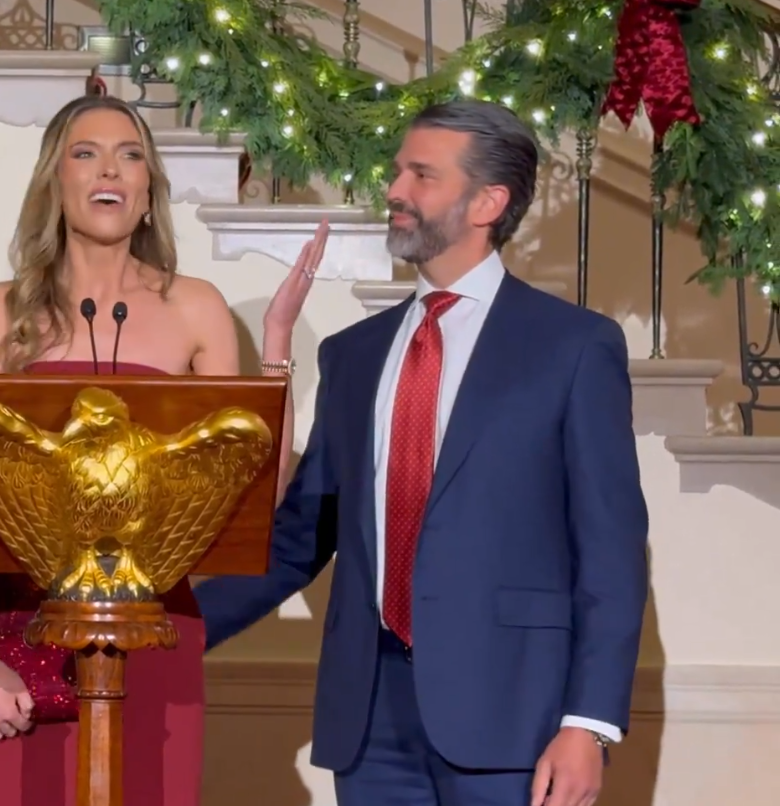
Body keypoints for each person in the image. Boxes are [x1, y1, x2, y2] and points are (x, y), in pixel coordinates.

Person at [195, 99, 650, 806]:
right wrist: (166, 629)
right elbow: (297, 542)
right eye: (398, 170)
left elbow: (611, 552)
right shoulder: (354, 356)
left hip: (515, 724)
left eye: (421, 175)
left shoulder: (573, 348)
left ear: (488, 201)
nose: (395, 190)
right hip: (370, 720)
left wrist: (587, 724)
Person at [0, 93, 329, 806]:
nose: (110, 171)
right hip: (23, 633)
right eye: (86, 153)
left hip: (156, 634)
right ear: (54, 184)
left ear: (149, 191)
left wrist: (276, 345)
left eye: (130, 156)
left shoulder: (196, 306)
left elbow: (255, 495)